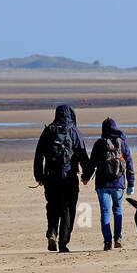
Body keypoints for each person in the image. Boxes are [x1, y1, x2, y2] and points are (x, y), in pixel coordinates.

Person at [33, 104, 89, 253]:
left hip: (50, 178)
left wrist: (38, 176)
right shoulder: (74, 131)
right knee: (67, 210)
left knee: (52, 206)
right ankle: (63, 243)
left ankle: (52, 232)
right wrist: (87, 175)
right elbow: (83, 155)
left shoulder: (48, 131)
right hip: (69, 177)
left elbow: (38, 155)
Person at [83, 117, 135, 251]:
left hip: (102, 184)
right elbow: (129, 163)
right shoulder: (121, 143)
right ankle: (118, 238)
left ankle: (107, 242)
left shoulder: (99, 143)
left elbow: (92, 163)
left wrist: (86, 177)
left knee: (105, 212)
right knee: (117, 210)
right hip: (118, 183)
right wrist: (131, 184)